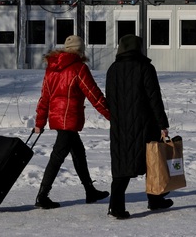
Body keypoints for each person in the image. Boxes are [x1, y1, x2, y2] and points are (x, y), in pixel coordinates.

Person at [33, 35, 110, 209]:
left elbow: (45, 97)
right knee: (57, 157)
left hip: (58, 118)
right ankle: (42, 196)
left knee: (78, 153)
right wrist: (112, 116)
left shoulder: (51, 68)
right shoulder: (79, 68)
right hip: (69, 119)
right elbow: (94, 95)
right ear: (80, 51)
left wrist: (40, 121)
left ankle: (90, 190)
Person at [105, 34, 172, 219]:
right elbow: (154, 98)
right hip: (144, 124)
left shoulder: (113, 69)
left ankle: (116, 207)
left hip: (119, 126)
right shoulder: (145, 67)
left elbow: (109, 99)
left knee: (121, 166)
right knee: (153, 162)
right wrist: (162, 124)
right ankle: (155, 200)